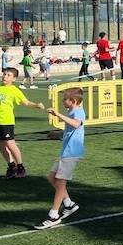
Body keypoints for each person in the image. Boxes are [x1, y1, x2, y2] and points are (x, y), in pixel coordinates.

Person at [34, 89, 85, 229]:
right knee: (51, 178)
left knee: (61, 183)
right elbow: (71, 130)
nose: (63, 101)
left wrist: (58, 114)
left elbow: (77, 124)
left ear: (73, 101)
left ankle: (54, 215)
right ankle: (69, 204)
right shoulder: (72, 112)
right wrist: (57, 134)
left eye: (65, 99)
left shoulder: (78, 112)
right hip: (66, 152)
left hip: (72, 152)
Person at [0, 67, 47, 179]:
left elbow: (26, 102)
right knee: (0, 146)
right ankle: (11, 166)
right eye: (4, 74)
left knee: (10, 144)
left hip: (6, 121)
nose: (5, 76)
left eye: (8, 75)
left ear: (14, 78)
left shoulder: (14, 90)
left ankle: (20, 167)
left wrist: (36, 105)